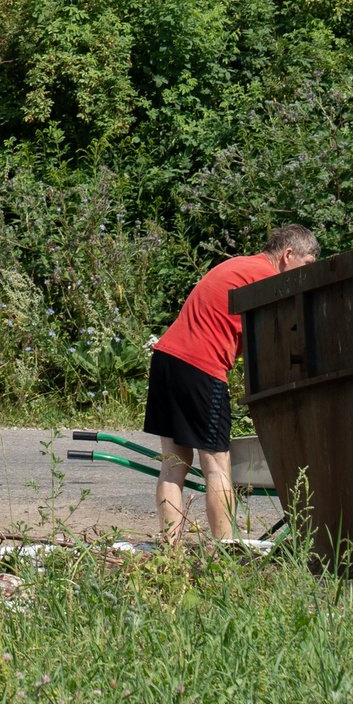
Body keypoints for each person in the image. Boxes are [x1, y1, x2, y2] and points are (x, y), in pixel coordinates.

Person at [143, 224, 319, 546]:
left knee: (173, 464)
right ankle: (224, 553)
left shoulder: (240, 265)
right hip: (200, 366)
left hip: (166, 359)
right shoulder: (266, 279)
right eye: (306, 265)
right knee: (217, 466)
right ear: (288, 255)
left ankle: (171, 552)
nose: (305, 274)